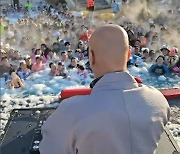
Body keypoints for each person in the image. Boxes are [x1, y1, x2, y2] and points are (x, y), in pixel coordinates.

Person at [40, 25, 170, 154]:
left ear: (91, 57)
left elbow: (48, 149)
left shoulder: (71, 112)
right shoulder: (158, 101)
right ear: (129, 54)